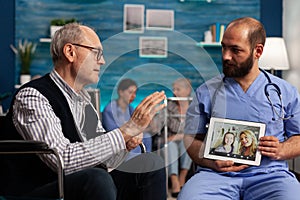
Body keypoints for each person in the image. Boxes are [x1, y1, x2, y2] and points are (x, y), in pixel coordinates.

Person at [0, 23, 167, 200]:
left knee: (151, 163)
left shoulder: (84, 101)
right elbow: (62, 161)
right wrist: (125, 131)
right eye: (97, 53)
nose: (102, 61)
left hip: (85, 184)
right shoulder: (33, 96)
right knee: (97, 178)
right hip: (39, 190)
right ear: (70, 52)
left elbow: (104, 162)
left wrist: (124, 144)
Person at [179, 17, 300, 200]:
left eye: (235, 50)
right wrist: (210, 162)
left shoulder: (285, 92)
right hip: (215, 176)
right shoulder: (206, 92)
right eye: (224, 47)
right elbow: (190, 139)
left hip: (269, 176)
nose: (226, 56)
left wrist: (283, 149)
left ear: (257, 51)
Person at [157, 78, 193, 197]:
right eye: (173, 89)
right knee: (170, 146)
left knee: (186, 144)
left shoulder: (194, 106)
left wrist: (179, 136)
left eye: (178, 89)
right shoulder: (169, 105)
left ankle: (183, 177)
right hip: (168, 140)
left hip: (186, 140)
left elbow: (196, 130)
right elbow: (157, 126)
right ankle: (174, 181)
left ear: (187, 90)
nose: (174, 92)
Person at [102, 78, 152, 154]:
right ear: (121, 92)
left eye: (135, 93)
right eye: (130, 92)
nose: (133, 96)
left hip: (130, 137)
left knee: (147, 136)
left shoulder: (131, 109)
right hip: (117, 142)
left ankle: (147, 159)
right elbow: (112, 130)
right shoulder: (110, 109)